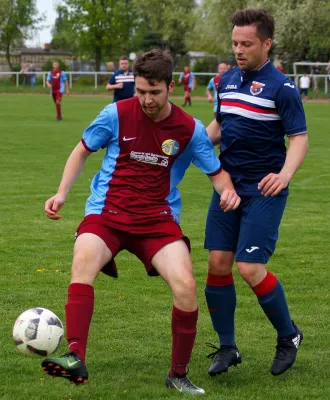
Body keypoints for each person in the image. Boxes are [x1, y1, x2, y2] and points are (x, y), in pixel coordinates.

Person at [41, 49, 241, 395]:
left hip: (157, 220)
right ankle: (75, 357)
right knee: (83, 262)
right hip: (108, 213)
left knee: (186, 286)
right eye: (141, 91)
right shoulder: (115, 114)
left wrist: (229, 193)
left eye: (154, 92)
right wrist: (61, 193)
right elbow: (81, 151)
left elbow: (217, 173)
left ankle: (178, 374)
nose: (147, 100)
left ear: (170, 87)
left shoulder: (189, 129)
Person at [204, 8, 308, 378]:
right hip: (228, 188)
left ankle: (288, 335)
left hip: (264, 189)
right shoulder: (227, 81)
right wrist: (189, 143)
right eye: (234, 42)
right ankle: (228, 346)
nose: (238, 49)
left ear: (266, 43)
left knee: (248, 266)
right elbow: (219, 124)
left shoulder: (282, 87)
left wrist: (284, 174)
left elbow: (298, 137)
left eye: (246, 43)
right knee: (217, 264)